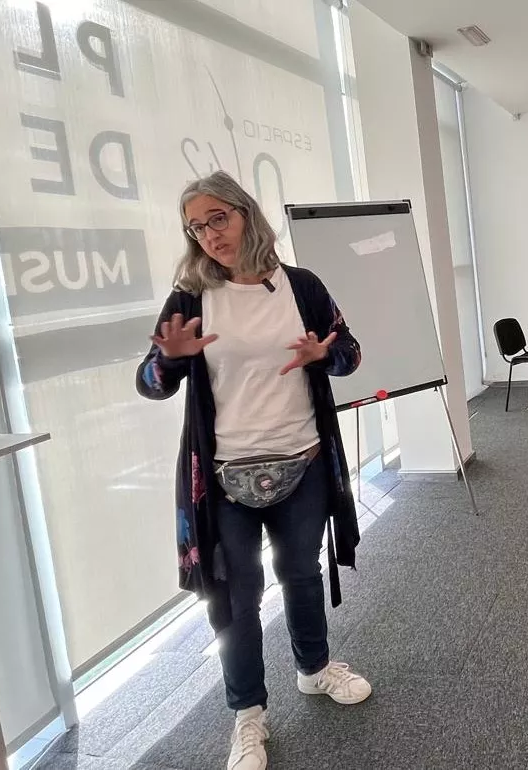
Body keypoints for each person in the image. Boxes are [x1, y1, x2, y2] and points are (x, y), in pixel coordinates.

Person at [136, 171, 371, 770]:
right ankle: (247, 714)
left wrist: (326, 354)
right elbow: (149, 383)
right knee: (236, 596)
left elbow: (351, 353)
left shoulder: (303, 287)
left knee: (301, 572)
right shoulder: (189, 297)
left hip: (304, 459)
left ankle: (314, 670)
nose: (210, 233)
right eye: (196, 225)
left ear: (245, 214)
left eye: (219, 217)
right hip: (222, 476)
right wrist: (168, 359)